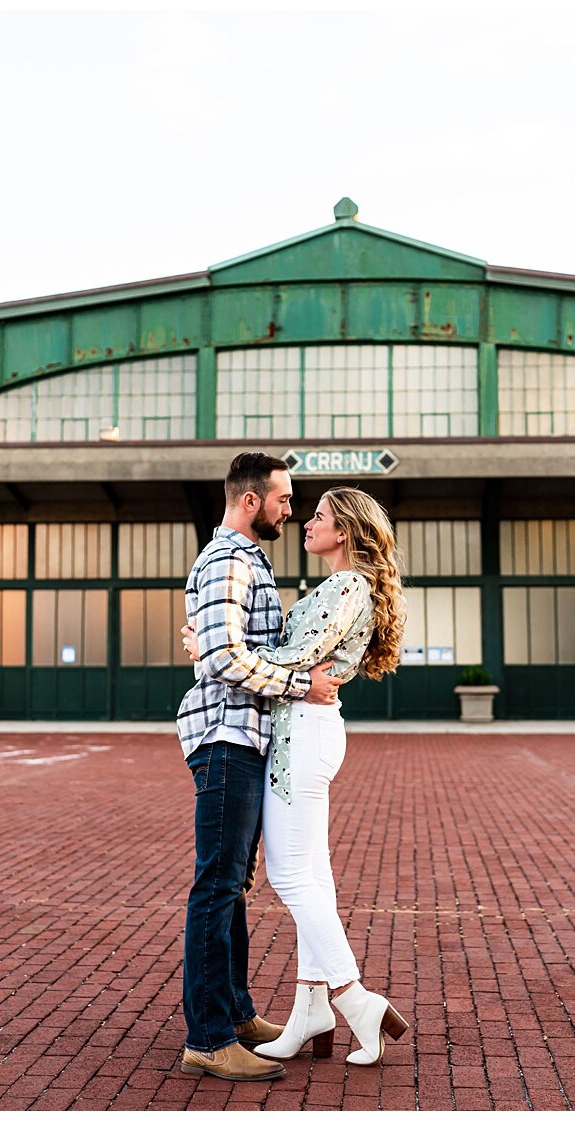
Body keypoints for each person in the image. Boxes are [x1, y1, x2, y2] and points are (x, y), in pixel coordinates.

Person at [183, 486, 410, 1067]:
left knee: (289, 875)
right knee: (314, 873)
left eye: (320, 518)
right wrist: (215, 645)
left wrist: (215, 648)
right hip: (301, 730)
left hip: (303, 732)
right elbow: (284, 651)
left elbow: (293, 658)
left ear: (348, 531)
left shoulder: (347, 587)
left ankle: (355, 998)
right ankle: (311, 1008)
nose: (306, 523)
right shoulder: (337, 587)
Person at [177, 453, 343, 1082]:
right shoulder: (226, 560)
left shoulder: (247, 561)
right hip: (226, 738)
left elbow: (223, 647)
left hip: (246, 738)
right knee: (217, 886)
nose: (289, 509)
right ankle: (208, 1038)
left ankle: (237, 1015)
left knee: (233, 887)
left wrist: (208, 646)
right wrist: (303, 684)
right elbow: (223, 659)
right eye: (283, 498)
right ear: (251, 501)